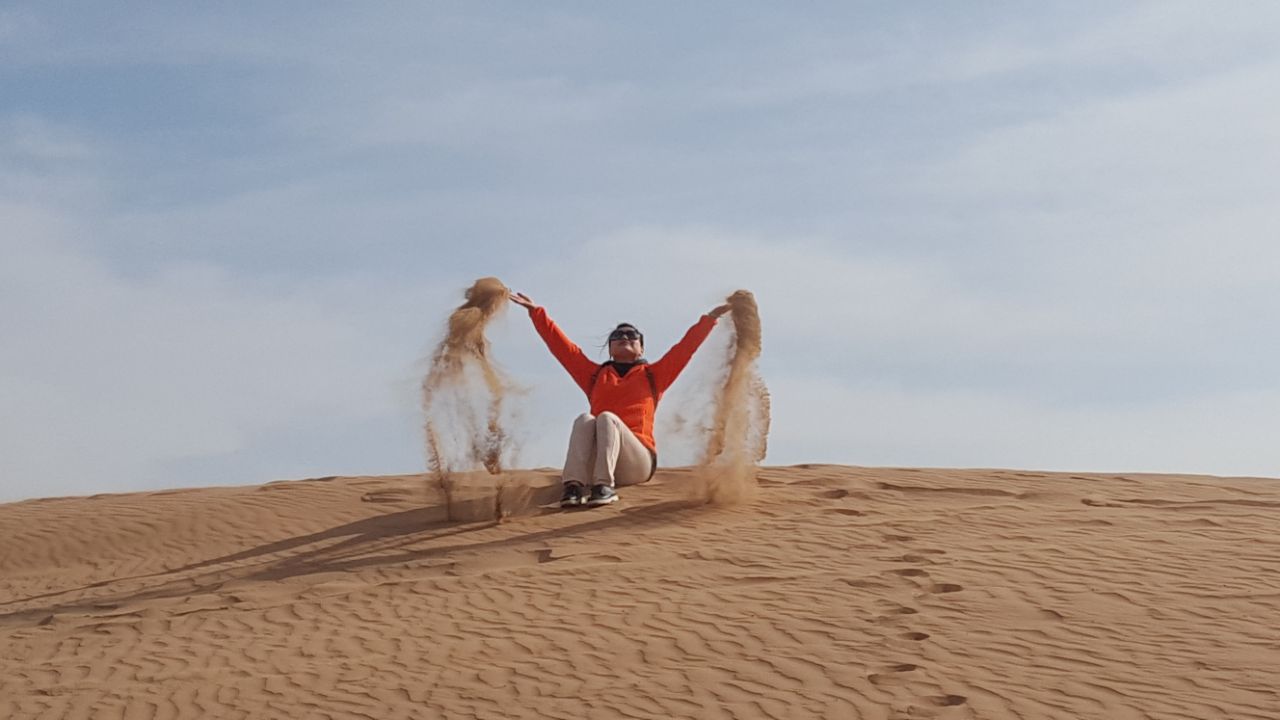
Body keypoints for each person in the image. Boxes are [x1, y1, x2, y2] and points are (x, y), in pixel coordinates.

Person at [509, 291, 730, 508]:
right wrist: (536, 312)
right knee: (585, 419)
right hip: (597, 462)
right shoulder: (595, 376)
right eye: (617, 336)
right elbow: (563, 349)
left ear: (641, 347)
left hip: (637, 462)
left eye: (631, 335)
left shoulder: (655, 375)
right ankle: (573, 488)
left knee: (606, 418)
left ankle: (603, 488)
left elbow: (685, 349)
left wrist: (710, 318)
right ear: (610, 348)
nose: (624, 337)